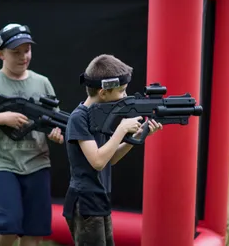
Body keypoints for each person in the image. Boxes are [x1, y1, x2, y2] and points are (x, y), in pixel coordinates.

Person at [0, 23, 64, 246]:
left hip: (38, 164)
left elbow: (55, 123)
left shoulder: (42, 82)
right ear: (1, 54)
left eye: (26, 50)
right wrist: (2, 118)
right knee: (8, 225)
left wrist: (57, 135)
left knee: (34, 231)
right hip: (3, 164)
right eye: (15, 52)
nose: (23, 57)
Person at [63, 54, 163, 245]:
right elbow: (98, 162)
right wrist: (122, 129)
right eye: (122, 91)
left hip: (99, 199)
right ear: (103, 93)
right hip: (85, 202)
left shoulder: (100, 117)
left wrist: (137, 137)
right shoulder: (79, 118)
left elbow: (111, 158)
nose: (125, 96)